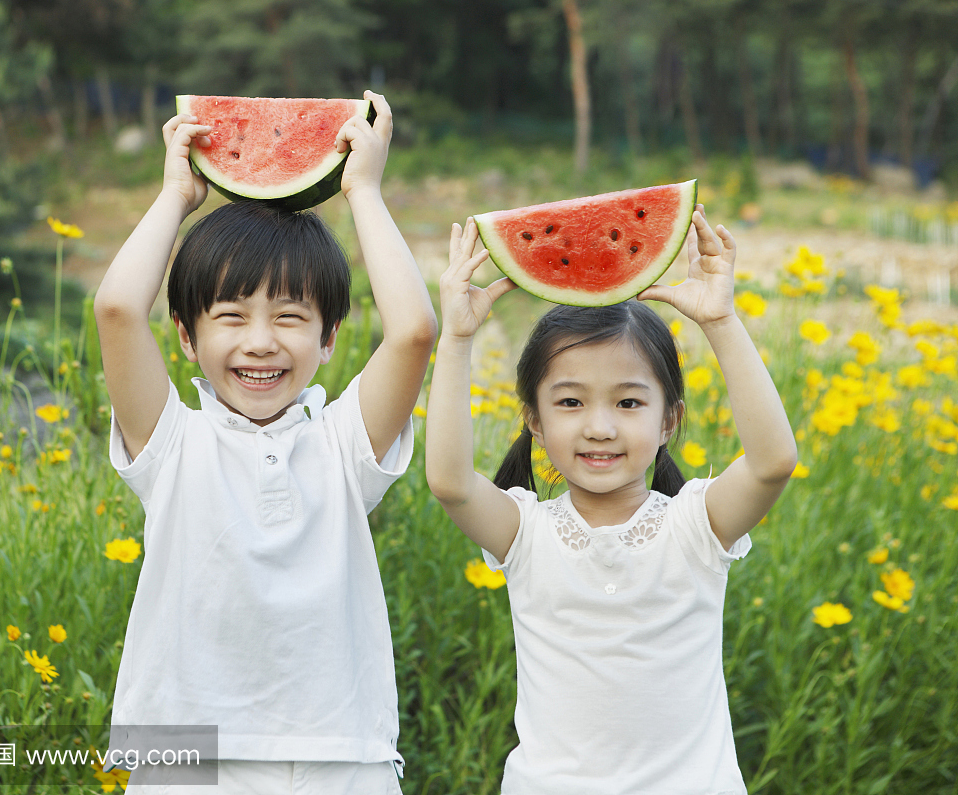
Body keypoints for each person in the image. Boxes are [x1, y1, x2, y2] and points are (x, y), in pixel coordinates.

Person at [93, 91, 436, 794]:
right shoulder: (170, 443)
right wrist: (173, 196)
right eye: (229, 316)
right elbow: (118, 308)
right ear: (186, 338)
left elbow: (413, 332)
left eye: (289, 317)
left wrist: (363, 191)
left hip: (340, 754)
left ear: (330, 337)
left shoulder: (344, 445)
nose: (259, 342)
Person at [425, 208, 797, 794]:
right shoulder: (526, 533)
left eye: (628, 403)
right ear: (535, 423)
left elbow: (773, 462)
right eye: (571, 403)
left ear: (669, 419)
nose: (599, 427)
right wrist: (457, 337)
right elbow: (450, 480)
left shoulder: (695, 527)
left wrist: (721, 320)